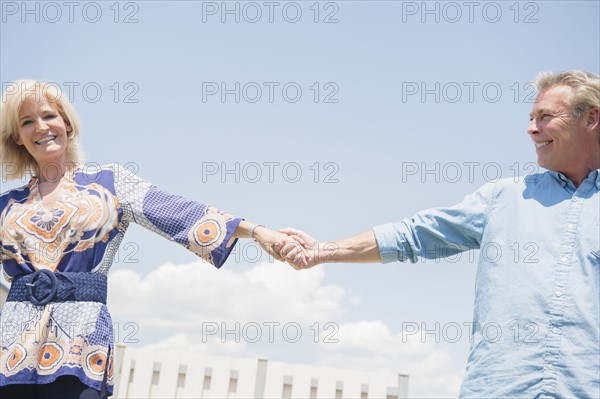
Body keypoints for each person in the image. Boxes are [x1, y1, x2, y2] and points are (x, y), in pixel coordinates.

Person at [278, 70, 600, 397]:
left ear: (590, 118)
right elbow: (415, 234)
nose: (532, 128)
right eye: (532, 117)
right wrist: (322, 251)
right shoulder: (503, 198)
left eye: (545, 117)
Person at [0, 79, 305, 398]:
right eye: (27, 122)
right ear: (17, 138)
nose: (41, 127)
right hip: (13, 348)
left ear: (67, 124)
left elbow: (177, 212)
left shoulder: (110, 182)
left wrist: (257, 232)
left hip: (81, 339)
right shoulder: (6, 205)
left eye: (49, 116)